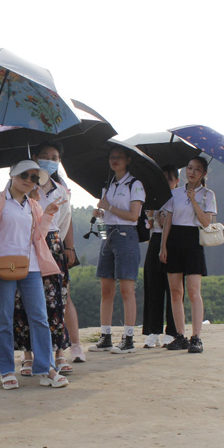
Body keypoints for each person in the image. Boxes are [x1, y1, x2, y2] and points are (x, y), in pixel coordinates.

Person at [0, 159, 69, 390]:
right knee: (4, 318)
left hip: (31, 266)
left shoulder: (33, 206)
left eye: (34, 178)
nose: (29, 181)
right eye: (24, 175)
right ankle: (6, 369)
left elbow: (38, 235)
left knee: (40, 318)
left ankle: (45, 368)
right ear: (12, 175)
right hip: (2, 265)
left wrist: (47, 215)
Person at [13, 143, 72, 376]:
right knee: (25, 300)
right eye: (45, 156)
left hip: (53, 245)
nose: (50, 160)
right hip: (27, 244)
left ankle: (59, 353)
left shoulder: (61, 189)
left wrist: (63, 245)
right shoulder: (25, 184)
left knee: (56, 300)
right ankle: (27, 355)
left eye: (55, 157)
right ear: (34, 157)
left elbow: (65, 221)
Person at [88, 144, 146, 354]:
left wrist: (108, 207)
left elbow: (133, 216)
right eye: (112, 156)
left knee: (126, 289)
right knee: (106, 288)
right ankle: (105, 337)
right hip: (109, 235)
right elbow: (109, 212)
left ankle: (128, 338)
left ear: (128, 160)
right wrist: (101, 213)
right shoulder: (108, 184)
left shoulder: (135, 184)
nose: (115, 160)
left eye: (119, 157)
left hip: (126, 235)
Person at [159, 156, 216, 353]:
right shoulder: (174, 194)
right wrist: (163, 246)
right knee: (175, 292)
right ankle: (180, 336)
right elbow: (168, 221)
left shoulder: (207, 195)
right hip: (174, 239)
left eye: (197, 169)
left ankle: (196, 337)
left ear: (203, 174)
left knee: (193, 291)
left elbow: (206, 222)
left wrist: (193, 200)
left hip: (193, 241)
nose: (192, 172)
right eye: (189, 168)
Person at [142, 165, 179, 348]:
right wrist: (150, 216)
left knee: (173, 289)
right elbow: (147, 225)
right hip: (156, 240)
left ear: (177, 182)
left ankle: (172, 331)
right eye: (163, 180)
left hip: (174, 241)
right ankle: (152, 331)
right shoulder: (153, 198)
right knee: (153, 286)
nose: (166, 184)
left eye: (170, 180)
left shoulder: (179, 199)